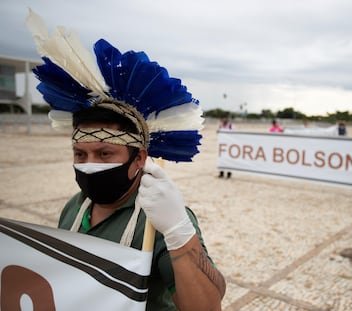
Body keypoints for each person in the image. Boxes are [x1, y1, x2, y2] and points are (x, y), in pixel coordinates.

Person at [27, 11, 225, 310]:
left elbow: (208, 305)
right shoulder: (73, 206)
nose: (89, 164)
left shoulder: (158, 218)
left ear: (139, 159)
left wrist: (179, 231)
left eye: (105, 153)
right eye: (80, 154)